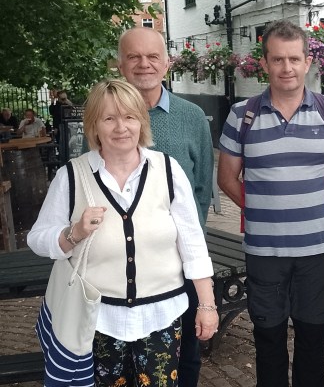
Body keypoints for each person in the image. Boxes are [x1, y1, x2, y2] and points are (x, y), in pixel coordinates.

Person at [27, 79, 219, 386]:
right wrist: (72, 234)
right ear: (94, 125)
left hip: (162, 316)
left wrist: (207, 306)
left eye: (129, 117)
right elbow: (37, 238)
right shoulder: (72, 176)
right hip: (98, 319)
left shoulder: (167, 170)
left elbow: (192, 244)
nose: (121, 127)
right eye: (109, 118)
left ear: (141, 122)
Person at [217, 20, 324, 387]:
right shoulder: (241, 115)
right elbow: (227, 179)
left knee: (313, 337)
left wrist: (313, 205)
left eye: (294, 59)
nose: (287, 68)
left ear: (308, 61)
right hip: (264, 251)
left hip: (317, 248)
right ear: (264, 64)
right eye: (278, 59)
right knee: (268, 338)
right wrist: (264, 207)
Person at [116, 27, 215, 387]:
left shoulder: (191, 117)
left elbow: (202, 188)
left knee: (185, 355)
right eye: (134, 57)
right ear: (120, 65)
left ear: (167, 63)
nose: (144, 64)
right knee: (122, 358)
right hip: (120, 267)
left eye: (153, 56)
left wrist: (190, 251)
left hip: (180, 263)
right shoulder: (105, 117)